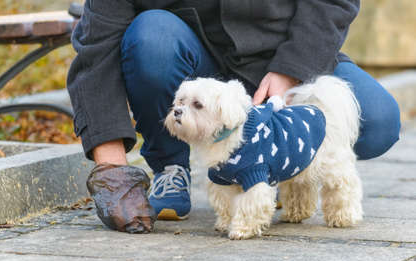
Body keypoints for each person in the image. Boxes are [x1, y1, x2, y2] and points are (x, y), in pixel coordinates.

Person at [67, 0, 401, 233]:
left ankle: (282, 169)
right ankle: (170, 167)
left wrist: (293, 70)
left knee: (378, 121)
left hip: (284, 51)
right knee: (151, 34)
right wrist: (111, 169)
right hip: (190, 61)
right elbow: (98, 44)